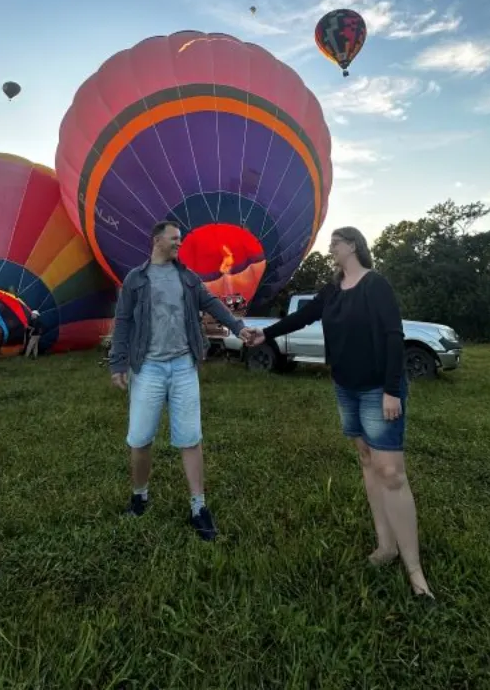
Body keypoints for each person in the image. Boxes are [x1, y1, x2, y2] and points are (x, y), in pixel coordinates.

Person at [242, 227, 435, 602]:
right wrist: (264, 335)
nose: (329, 247)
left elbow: (393, 336)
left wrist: (393, 389)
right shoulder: (332, 289)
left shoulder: (375, 285)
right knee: (366, 460)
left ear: (353, 246)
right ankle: (386, 546)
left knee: (392, 472)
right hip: (346, 387)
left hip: (379, 389)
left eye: (335, 242)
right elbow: (303, 318)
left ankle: (415, 570)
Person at [109, 220, 247, 541]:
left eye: (180, 240)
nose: (178, 244)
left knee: (190, 437)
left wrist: (239, 328)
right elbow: (124, 320)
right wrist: (118, 362)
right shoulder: (136, 279)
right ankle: (140, 496)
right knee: (140, 438)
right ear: (157, 240)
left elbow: (212, 303)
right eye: (174, 239)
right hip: (148, 368)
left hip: (184, 365)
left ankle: (199, 507)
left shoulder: (187, 277)